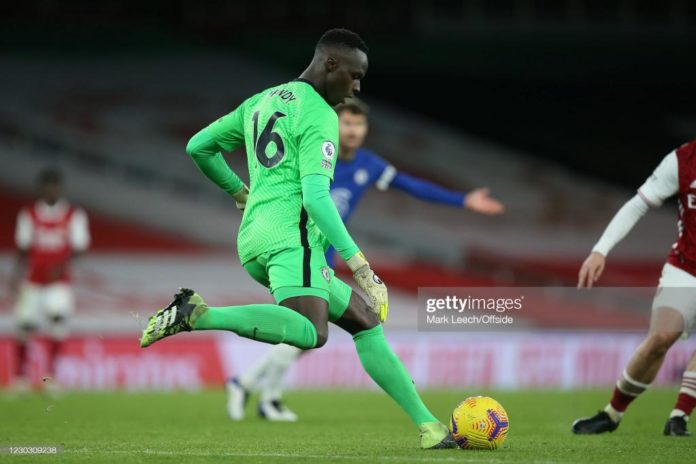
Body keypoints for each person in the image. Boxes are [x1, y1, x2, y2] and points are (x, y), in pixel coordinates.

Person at [139, 28, 457, 449]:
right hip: (293, 240)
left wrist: (238, 191)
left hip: (254, 237)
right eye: (355, 75)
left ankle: (430, 427)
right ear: (330, 64)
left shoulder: (260, 101)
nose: (357, 86)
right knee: (313, 332)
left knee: (364, 321)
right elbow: (316, 198)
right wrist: (361, 266)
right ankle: (200, 315)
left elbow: (199, 146)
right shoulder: (321, 114)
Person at [227, 97, 504, 421]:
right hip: (294, 252)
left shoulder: (368, 165)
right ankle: (260, 393)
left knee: (307, 331)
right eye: (346, 123)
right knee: (308, 329)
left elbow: (410, 185)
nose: (353, 130)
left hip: (324, 257)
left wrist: (463, 200)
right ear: (332, 125)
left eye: (358, 124)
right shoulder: (310, 153)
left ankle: (252, 388)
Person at [572, 140, 696, 437]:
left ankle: (679, 415)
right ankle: (612, 413)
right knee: (660, 339)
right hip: (686, 267)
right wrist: (601, 250)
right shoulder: (682, 159)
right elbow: (639, 203)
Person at [10, 168, 90, 391]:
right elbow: (23, 248)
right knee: (25, 327)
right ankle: (20, 379)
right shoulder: (29, 214)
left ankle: (50, 379)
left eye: (54, 186)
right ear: (40, 189)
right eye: (47, 186)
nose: (51, 190)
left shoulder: (73, 215)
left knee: (57, 324)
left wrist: (62, 265)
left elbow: (80, 246)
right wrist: (14, 275)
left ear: (60, 189)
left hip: (59, 282)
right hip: (33, 281)